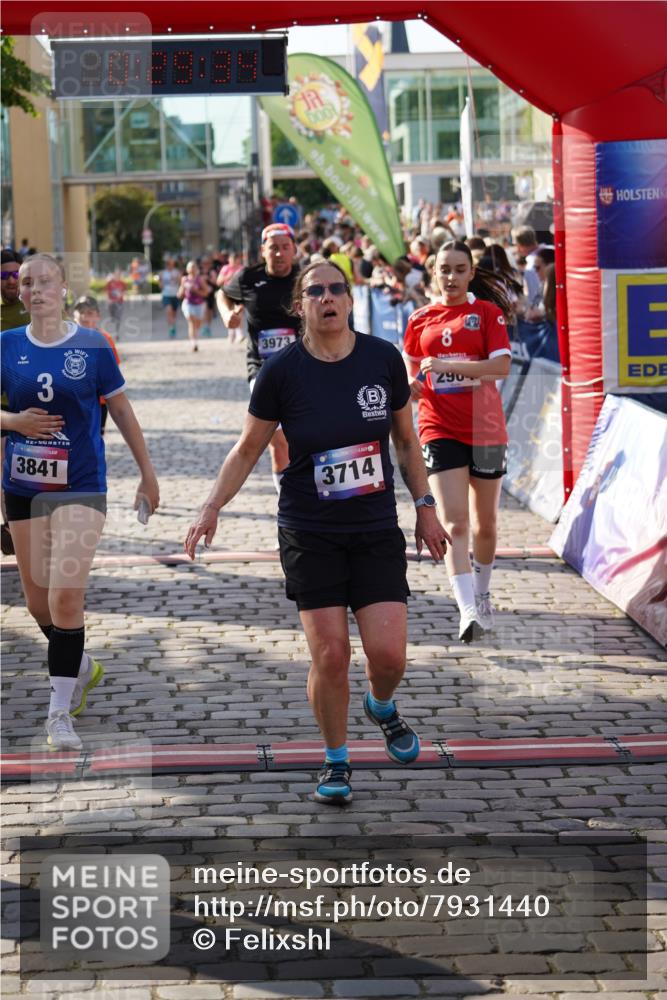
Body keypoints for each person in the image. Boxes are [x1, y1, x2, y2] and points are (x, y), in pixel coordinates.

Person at [185, 260, 449, 804]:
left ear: (350, 300)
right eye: (315, 291)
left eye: (337, 289)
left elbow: (404, 441)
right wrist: (210, 507)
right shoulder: (281, 373)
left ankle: (381, 705)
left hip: (375, 527)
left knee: (389, 656)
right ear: (299, 305)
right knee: (330, 655)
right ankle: (336, 761)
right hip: (309, 528)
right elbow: (248, 448)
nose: (327, 298)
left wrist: (425, 507)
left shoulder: (381, 359)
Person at [0, 253, 160, 750]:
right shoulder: (4, 345)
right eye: (27, 283)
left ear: (64, 287)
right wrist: (14, 423)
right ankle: (82, 666)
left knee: (65, 596)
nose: (35, 289)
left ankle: (58, 714)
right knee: (36, 603)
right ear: (20, 293)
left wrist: (147, 474)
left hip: (81, 483)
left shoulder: (92, 346)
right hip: (23, 486)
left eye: (45, 280)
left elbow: (124, 411)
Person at [403, 241, 512, 642]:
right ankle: (466, 609)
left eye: (459, 269)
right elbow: (412, 371)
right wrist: (411, 386)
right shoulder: (419, 319)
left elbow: (501, 366)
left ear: (470, 273)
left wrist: (449, 366)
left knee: (486, 524)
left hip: (485, 428)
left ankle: (482, 595)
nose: (450, 277)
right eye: (444, 269)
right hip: (438, 427)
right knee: (454, 521)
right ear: (433, 272)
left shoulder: (485, 313)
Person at [217, 223, 301, 495]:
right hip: (262, 368)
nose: (279, 253)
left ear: (294, 250)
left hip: (304, 368)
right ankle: (286, 503)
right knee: (277, 438)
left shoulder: (306, 277)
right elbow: (222, 294)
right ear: (263, 250)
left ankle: (303, 494)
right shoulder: (248, 278)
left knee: (300, 436)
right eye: (273, 248)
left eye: (285, 247)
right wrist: (226, 314)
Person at [1, 251, 30, 555]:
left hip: (33, 401)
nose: (10, 281)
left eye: (14, 275)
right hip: (3, 404)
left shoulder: (34, 303)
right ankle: (12, 526)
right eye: (3, 276)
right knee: (5, 468)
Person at [71, 296, 121, 436]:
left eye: (90, 313)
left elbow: (112, 373)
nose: (85, 317)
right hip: (73, 399)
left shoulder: (105, 339)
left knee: (96, 438)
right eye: (81, 312)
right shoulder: (65, 340)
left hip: (99, 402)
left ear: (98, 316)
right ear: (73, 315)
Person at [177, 260, 209, 353]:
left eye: (194, 267)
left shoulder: (200, 279)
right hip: (188, 303)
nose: (192, 269)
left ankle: (195, 336)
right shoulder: (184, 279)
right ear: (187, 269)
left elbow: (206, 293)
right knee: (191, 321)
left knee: (197, 324)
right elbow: (180, 293)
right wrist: (181, 291)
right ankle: (193, 343)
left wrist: (196, 291)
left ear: (197, 269)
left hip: (199, 304)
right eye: (190, 267)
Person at [158, 258, 181, 338]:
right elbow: (160, 285)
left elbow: (180, 283)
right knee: (169, 311)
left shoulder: (177, 272)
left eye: (171, 264)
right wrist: (161, 284)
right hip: (166, 295)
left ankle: (173, 325)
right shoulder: (162, 273)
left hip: (175, 295)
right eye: (168, 264)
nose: (170, 265)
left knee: (174, 314)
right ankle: (171, 328)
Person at [105, 268, 126, 337]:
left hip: (119, 302)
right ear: (114, 274)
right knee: (113, 317)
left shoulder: (122, 283)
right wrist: (108, 300)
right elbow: (107, 292)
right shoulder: (110, 283)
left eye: (119, 274)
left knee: (118, 318)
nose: (118, 275)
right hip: (111, 303)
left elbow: (124, 292)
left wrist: (120, 296)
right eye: (116, 274)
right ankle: (113, 319)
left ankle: (117, 333)